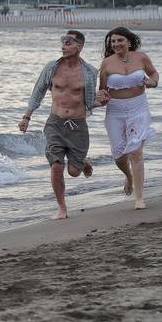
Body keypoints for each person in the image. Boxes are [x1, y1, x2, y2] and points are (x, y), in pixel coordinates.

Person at [18, 30, 108, 219]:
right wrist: (27, 117)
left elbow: (89, 101)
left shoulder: (90, 72)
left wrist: (103, 101)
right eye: (62, 42)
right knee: (56, 165)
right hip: (55, 124)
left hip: (78, 126)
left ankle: (81, 163)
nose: (63, 46)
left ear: (79, 47)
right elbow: (38, 92)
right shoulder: (52, 68)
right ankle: (61, 207)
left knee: (74, 172)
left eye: (68, 43)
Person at [99, 26, 159, 210]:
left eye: (120, 40)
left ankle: (139, 198)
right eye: (113, 41)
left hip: (138, 108)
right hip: (115, 111)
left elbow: (154, 74)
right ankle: (128, 176)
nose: (116, 44)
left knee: (136, 152)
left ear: (129, 41)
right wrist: (99, 99)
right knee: (119, 155)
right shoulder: (106, 63)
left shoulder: (141, 57)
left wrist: (153, 82)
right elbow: (102, 91)